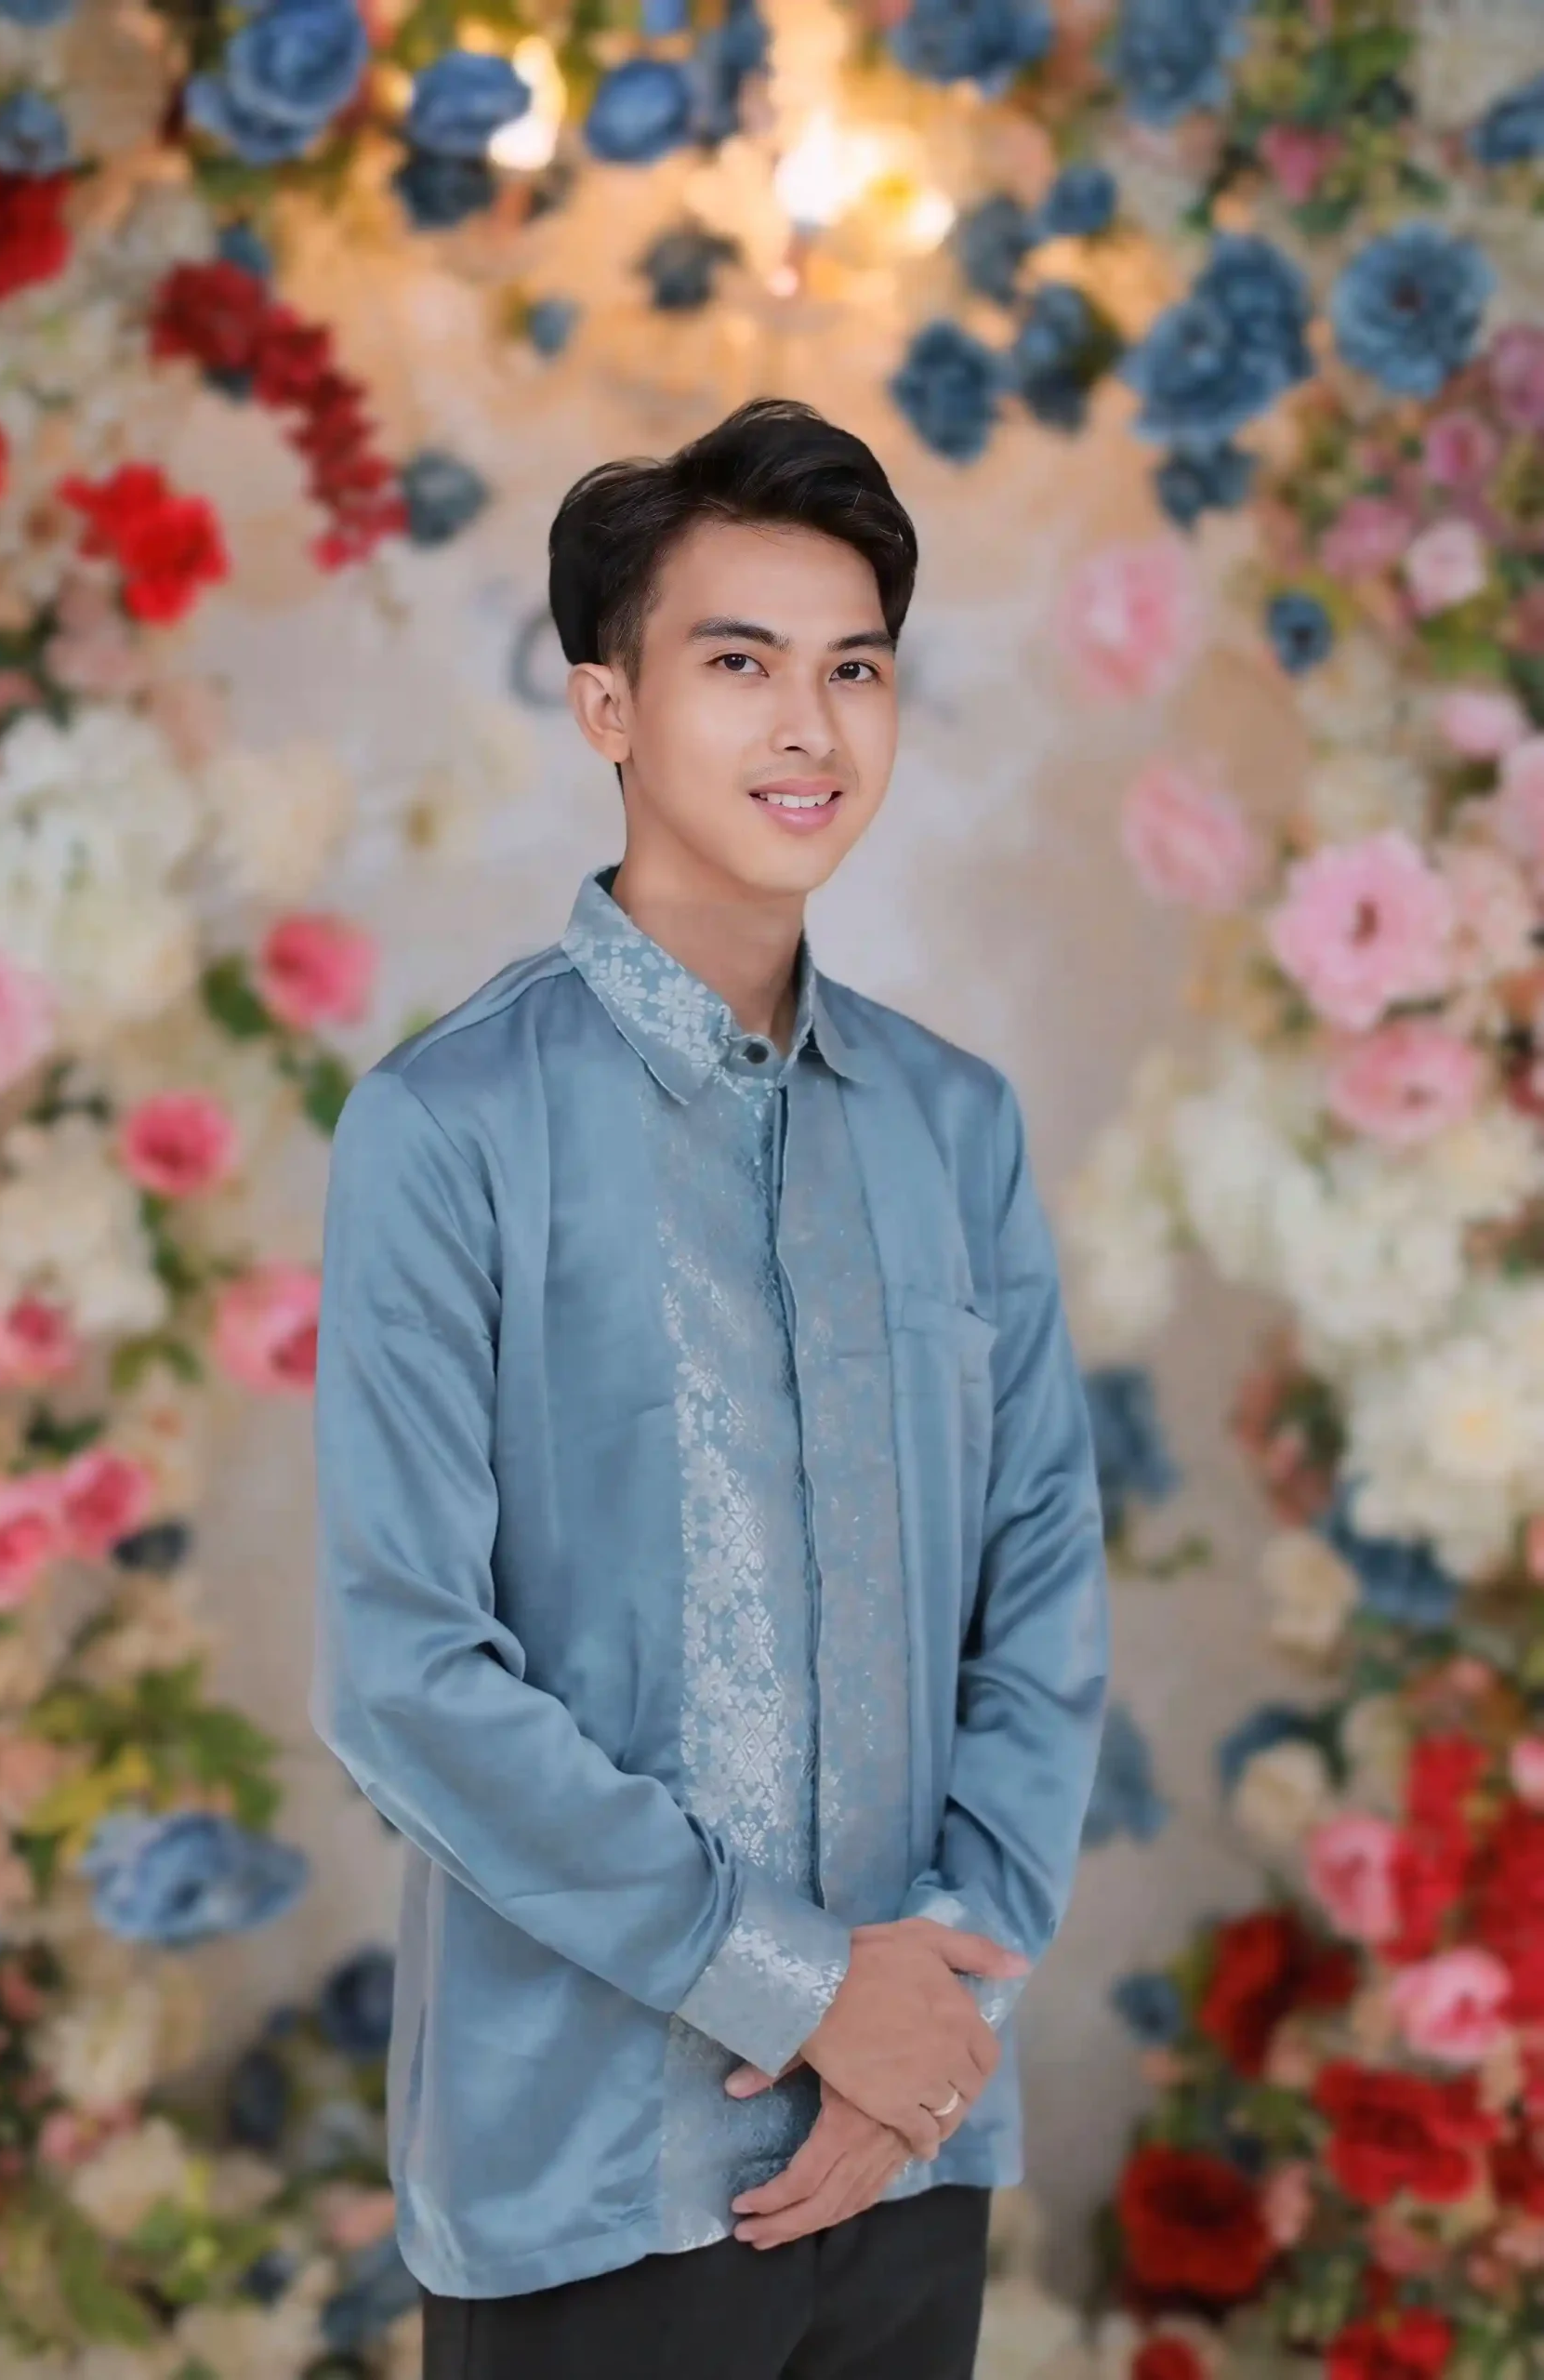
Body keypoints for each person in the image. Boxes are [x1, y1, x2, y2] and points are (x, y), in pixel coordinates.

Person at [310, 396, 1110, 2380]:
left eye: (855, 669)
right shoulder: (449, 1128)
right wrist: (797, 1983)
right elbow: (403, 1669)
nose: (808, 727)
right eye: (739, 663)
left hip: (913, 2151)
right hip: (586, 2180)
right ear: (608, 703)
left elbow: (1043, 1604)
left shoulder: (956, 1126)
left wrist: (934, 2018)